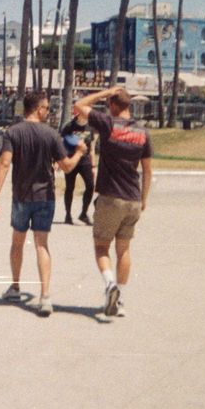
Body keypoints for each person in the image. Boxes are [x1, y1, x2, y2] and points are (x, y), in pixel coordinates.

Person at [0, 90, 86, 316]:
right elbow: (67, 166)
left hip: (21, 196)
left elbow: (4, 164)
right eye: (46, 108)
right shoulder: (51, 134)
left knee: (17, 242)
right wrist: (80, 152)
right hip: (45, 197)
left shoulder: (12, 132)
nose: (47, 112)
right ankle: (45, 296)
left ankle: (15, 286)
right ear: (38, 108)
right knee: (41, 244)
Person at [74, 86, 153, 317]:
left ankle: (110, 285)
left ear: (114, 105)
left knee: (101, 247)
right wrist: (144, 198)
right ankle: (120, 300)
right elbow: (147, 170)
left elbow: (79, 106)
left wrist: (103, 92)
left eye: (109, 103)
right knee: (124, 249)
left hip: (110, 197)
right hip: (133, 198)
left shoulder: (109, 124)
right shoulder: (143, 132)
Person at [60, 104, 96, 224]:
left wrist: (93, 165)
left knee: (90, 186)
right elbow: (61, 144)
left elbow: (92, 147)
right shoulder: (70, 126)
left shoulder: (90, 127)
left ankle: (84, 213)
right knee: (70, 187)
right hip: (71, 159)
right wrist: (60, 160)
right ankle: (68, 214)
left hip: (85, 160)